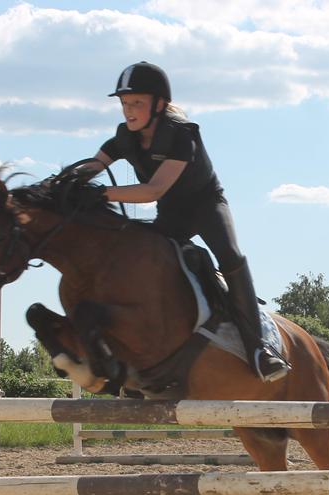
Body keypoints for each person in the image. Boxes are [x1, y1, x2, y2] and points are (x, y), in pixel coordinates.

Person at [85, 61, 290, 382]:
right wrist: (58, 184)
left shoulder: (182, 134)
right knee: (140, 255)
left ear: (159, 104)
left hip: (206, 206)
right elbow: (93, 164)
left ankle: (259, 348)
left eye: (137, 102)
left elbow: (153, 191)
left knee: (231, 256)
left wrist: (101, 195)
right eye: (125, 103)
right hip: (173, 212)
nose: (128, 110)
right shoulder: (125, 137)